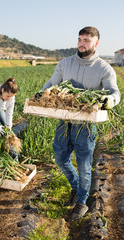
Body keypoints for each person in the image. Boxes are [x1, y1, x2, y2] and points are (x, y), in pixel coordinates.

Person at [38, 26, 121, 221]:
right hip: (64, 121)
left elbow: (114, 92)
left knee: (84, 165)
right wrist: (42, 93)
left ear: (96, 43)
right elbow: (52, 83)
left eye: (86, 40)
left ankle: (82, 202)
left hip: (85, 125)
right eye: (80, 39)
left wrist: (109, 101)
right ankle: (77, 188)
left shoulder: (104, 68)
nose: (81, 44)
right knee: (60, 158)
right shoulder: (65, 63)